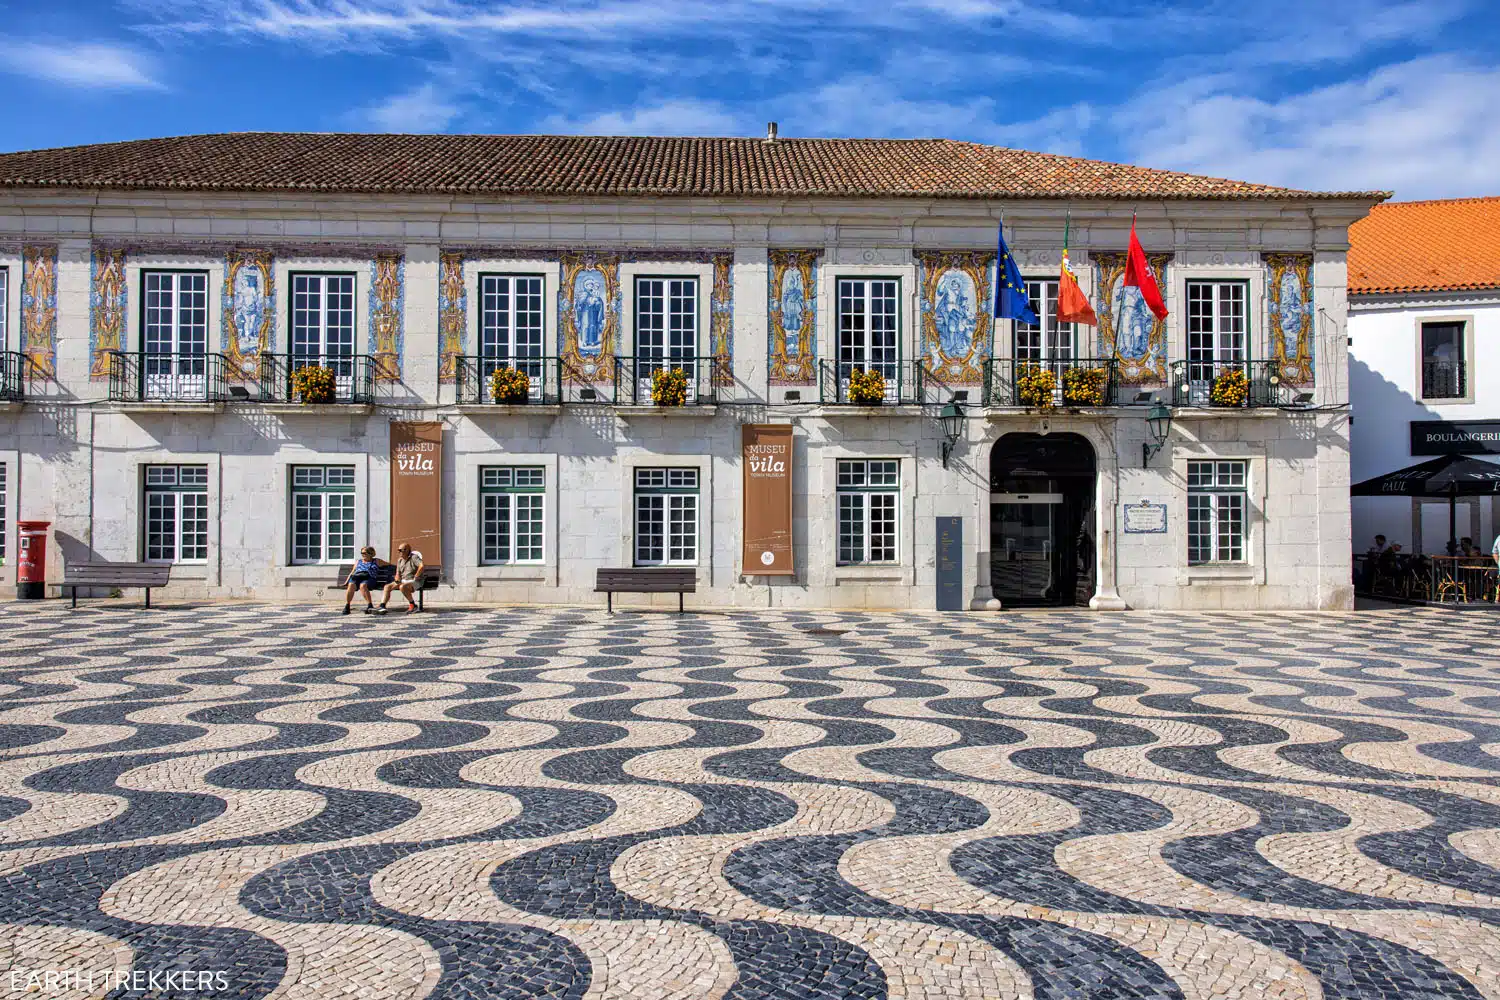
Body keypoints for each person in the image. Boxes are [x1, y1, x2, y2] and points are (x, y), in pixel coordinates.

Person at [379, 543, 424, 614]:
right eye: (398, 550)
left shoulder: (414, 557)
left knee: (402, 587)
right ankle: (382, 606)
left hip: (414, 580)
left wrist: (416, 575)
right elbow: (398, 572)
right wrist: (397, 577)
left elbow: (421, 566)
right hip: (403, 580)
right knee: (387, 587)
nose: (399, 552)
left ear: (407, 550)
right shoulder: (400, 560)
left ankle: (413, 605)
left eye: (400, 550)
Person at [344, 546, 381, 615]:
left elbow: (390, 564)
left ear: (370, 553)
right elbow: (353, 572)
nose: (362, 555)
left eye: (364, 553)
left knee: (363, 585)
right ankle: (347, 605)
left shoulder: (376, 561)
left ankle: (370, 605)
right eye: (362, 553)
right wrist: (346, 581)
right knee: (351, 585)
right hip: (357, 578)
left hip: (369, 578)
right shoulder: (358, 561)